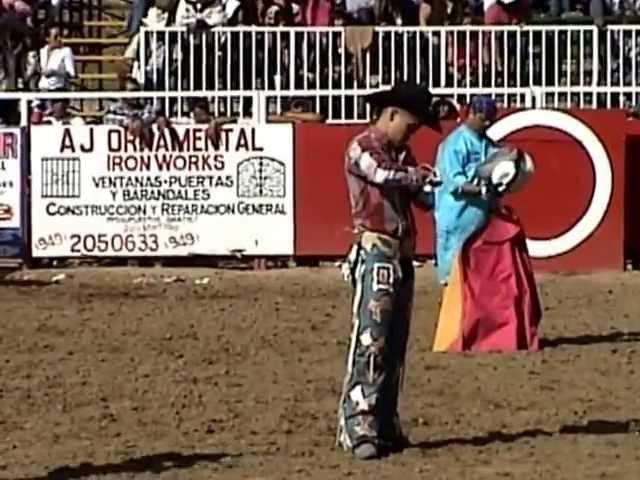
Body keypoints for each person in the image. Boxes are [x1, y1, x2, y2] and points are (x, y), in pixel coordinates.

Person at [336, 82, 442, 460]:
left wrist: (445, 188)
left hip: (397, 254)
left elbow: (422, 196)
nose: (412, 133)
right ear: (392, 114)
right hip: (377, 251)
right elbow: (383, 175)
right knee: (372, 337)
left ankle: (382, 421)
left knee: (393, 343)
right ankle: (359, 422)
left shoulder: (400, 155)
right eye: (411, 125)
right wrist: (420, 177)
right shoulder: (363, 147)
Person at [431, 95, 541, 353]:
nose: (487, 122)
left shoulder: (484, 142)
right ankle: (454, 333)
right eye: (483, 117)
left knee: (475, 274)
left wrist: (510, 156)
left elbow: (498, 160)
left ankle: (472, 330)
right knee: (454, 273)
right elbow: (454, 181)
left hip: (480, 216)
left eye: (490, 118)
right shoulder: (454, 144)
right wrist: (481, 187)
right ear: (470, 114)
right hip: (456, 215)